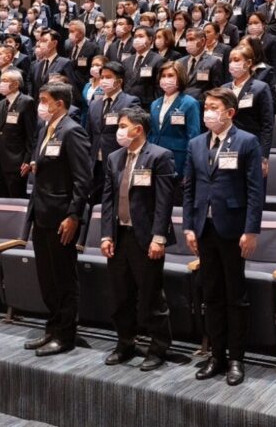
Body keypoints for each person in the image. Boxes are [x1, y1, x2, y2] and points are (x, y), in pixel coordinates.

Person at [182, 88, 264, 386]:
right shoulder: (195, 144)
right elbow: (189, 189)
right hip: (204, 229)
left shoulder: (246, 141)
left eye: (214, 107)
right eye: (206, 107)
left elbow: (255, 190)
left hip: (232, 230)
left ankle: (236, 359)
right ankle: (216, 355)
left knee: (235, 296)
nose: (208, 112)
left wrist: (251, 230)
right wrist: (189, 226)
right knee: (211, 294)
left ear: (230, 112)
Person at [99, 106, 176, 371]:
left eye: (122, 125)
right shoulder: (114, 157)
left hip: (146, 238)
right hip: (120, 236)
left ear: (138, 129)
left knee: (151, 297)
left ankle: (158, 348)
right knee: (120, 295)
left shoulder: (160, 156)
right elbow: (107, 200)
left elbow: (164, 202)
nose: (119, 130)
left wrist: (159, 238)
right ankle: (125, 343)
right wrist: (106, 235)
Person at [23, 82, 92, 357]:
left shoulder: (72, 131)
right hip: (41, 214)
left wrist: (73, 214)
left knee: (63, 278)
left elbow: (83, 179)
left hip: (62, 216)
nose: (40, 105)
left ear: (59, 103)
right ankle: (51, 328)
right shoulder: (46, 128)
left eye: (44, 100)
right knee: (47, 278)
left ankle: (65, 335)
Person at [87, 63, 140, 205]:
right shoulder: (94, 104)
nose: (103, 80)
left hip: (119, 161)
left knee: (115, 203)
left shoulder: (130, 101)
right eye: (102, 77)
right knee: (94, 202)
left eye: (108, 77)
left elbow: (135, 134)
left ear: (119, 81)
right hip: (95, 164)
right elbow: (89, 134)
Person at [148, 62, 201, 186]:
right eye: (163, 76)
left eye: (170, 75)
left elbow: (193, 137)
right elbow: (151, 133)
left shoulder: (189, 103)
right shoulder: (155, 103)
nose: (166, 79)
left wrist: (189, 168)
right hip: (154, 159)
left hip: (177, 160)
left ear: (180, 78)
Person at [0, 69, 36, 199]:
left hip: (16, 163)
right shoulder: (0, 104)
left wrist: (27, 160)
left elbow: (31, 135)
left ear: (15, 84)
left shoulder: (27, 102)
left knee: (15, 201)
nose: (0, 83)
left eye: (4, 80)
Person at [178, 28, 225, 101]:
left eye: (191, 39)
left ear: (202, 41)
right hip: (180, 103)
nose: (188, 43)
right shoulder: (179, 62)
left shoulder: (214, 62)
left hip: (200, 104)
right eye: (187, 40)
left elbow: (216, 89)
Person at [122, 26, 163, 104]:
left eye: (141, 36)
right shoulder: (126, 61)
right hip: (127, 104)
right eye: (135, 36)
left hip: (146, 106)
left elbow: (159, 87)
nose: (137, 39)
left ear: (150, 39)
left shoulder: (158, 60)